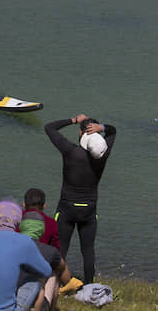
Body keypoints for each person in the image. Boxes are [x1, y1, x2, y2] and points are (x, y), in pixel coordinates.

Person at [45, 114, 116, 284]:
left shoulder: (70, 151)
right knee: (88, 250)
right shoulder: (103, 156)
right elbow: (113, 131)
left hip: (66, 209)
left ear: (81, 134)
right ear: (97, 136)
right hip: (89, 210)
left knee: (60, 249)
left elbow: (49, 127)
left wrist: (73, 119)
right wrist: (103, 128)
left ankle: (54, 285)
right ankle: (89, 286)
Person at [19, 210, 71, 311]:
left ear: (22, 227)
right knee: (54, 273)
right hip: (35, 302)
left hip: (8, 301)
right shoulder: (50, 251)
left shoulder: (9, 247)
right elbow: (65, 274)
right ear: (41, 230)